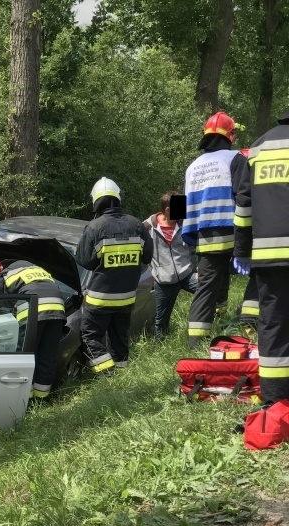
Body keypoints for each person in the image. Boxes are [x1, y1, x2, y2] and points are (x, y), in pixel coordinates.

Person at [233, 109, 289, 408]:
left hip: (267, 256)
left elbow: (243, 208)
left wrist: (242, 251)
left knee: (273, 325)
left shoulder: (257, 148)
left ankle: (274, 403)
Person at [182, 112, 248, 349]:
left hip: (204, 238)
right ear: (230, 136)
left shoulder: (191, 168)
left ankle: (195, 346)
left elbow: (183, 206)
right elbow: (245, 197)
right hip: (234, 233)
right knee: (260, 280)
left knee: (205, 291)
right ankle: (249, 332)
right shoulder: (235, 158)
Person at [76, 177, 153, 375]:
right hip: (126, 297)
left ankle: (108, 374)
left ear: (96, 201)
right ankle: (121, 375)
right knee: (120, 338)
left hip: (99, 299)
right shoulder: (137, 225)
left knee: (90, 336)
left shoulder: (95, 227)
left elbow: (84, 261)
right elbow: (147, 257)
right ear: (118, 198)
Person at [0, 260, 66, 400]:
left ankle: (24, 400)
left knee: (26, 357)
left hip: (33, 311)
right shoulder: (37, 268)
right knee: (46, 357)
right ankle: (42, 399)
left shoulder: (4, 274)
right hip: (58, 310)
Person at [143, 192, 197, 338]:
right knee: (161, 320)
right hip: (164, 281)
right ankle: (161, 346)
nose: (184, 212)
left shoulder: (185, 224)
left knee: (208, 291)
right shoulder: (147, 228)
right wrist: (154, 270)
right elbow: (141, 253)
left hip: (186, 274)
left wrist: (199, 270)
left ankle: (203, 327)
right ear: (167, 210)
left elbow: (196, 247)